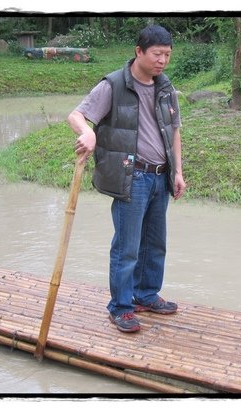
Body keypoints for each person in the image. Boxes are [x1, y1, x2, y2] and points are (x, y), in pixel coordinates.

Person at [67, 25, 186, 333]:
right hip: (130, 176)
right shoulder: (114, 84)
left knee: (155, 243)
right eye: (157, 54)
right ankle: (120, 306)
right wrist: (88, 132)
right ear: (138, 51)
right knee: (127, 246)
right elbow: (76, 115)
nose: (162, 61)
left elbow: (174, 131)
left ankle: (146, 295)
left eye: (167, 55)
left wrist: (178, 172)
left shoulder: (165, 87)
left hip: (160, 178)